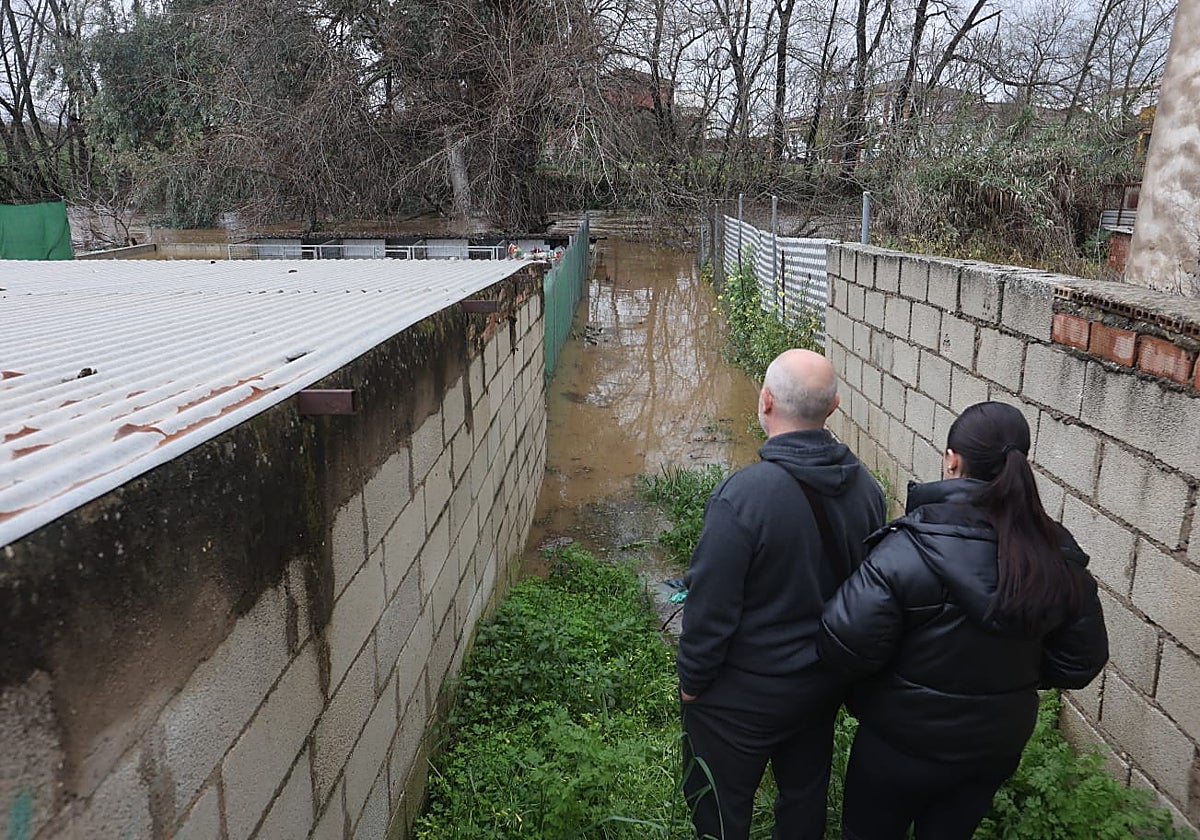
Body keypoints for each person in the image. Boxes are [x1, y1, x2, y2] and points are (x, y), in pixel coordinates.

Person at [818, 401, 1109, 840]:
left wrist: (888, 682)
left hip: (897, 744)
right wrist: (1010, 679)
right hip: (993, 748)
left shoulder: (906, 551)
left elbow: (844, 645)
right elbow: (1079, 664)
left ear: (952, 459)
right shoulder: (1059, 560)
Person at [678, 348, 887, 840]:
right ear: (834, 407)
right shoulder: (869, 492)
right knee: (803, 797)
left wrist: (692, 682)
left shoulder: (743, 497)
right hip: (820, 687)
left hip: (740, 697)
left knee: (720, 806)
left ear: (765, 400)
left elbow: (711, 609)